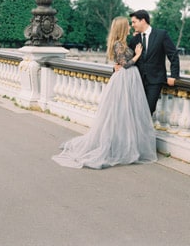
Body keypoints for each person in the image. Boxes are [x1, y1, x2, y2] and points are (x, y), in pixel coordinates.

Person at [52, 17, 157, 169]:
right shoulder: (118, 44)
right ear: (122, 28)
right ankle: (120, 145)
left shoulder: (122, 42)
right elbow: (125, 64)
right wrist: (138, 54)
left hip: (129, 79)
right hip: (125, 77)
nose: (130, 27)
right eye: (127, 25)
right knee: (120, 112)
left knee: (126, 112)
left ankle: (126, 143)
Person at [127, 9, 180, 115]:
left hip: (155, 80)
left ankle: (143, 131)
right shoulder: (134, 39)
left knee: (149, 109)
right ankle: (140, 131)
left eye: (134, 22)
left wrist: (174, 75)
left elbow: (173, 56)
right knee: (136, 110)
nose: (132, 25)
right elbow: (127, 58)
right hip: (137, 80)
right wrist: (117, 66)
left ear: (143, 20)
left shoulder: (161, 35)